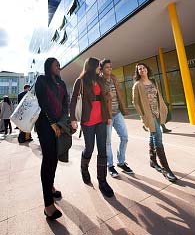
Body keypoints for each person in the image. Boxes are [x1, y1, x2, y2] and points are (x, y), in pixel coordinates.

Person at [70, 57, 114, 198]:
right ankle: (84, 169)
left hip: (101, 119)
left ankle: (102, 181)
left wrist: (107, 116)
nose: (99, 68)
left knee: (102, 150)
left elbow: (103, 100)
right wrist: (72, 119)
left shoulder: (100, 80)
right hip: (88, 121)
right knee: (89, 148)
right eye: (97, 66)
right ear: (91, 67)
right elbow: (73, 101)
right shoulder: (80, 81)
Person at [35, 57, 69, 220]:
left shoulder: (61, 83)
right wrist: (52, 123)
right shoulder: (41, 80)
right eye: (56, 65)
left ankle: (51, 186)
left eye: (59, 65)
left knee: (54, 157)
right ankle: (48, 204)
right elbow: (42, 102)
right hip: (44, 125)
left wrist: (62, 122)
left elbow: (65, 103)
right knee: (48, 158)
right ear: (48, 66)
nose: (59, 67)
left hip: (58, 125)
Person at [132, 63, 177, 182]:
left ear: (147, 69)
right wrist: (143, 116)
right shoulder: (137, 85)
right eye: (139, 69)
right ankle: (166, 169)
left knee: (153, 134)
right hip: (149, 115)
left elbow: (158, 96)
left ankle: (152, 160)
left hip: (158, 113)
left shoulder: (153, 81)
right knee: (158, 136)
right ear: (138, 72)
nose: (142, 70)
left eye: (143, 68)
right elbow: (135, 102)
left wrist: (163, 108)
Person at [100, 59, 133, 177]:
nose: (109, 69)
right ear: (102, 69)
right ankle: (110, 165)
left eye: (110, 67)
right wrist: (106, 97)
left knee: (124, 137)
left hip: (117, 113)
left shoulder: (114, 78)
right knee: (107, 142)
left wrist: (123, 108)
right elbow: (98, 100)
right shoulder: (99, 81)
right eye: (107, 67)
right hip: (107, 116)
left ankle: (121, 162)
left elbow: (119, 94)